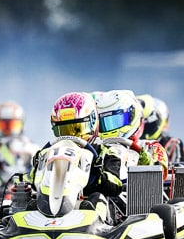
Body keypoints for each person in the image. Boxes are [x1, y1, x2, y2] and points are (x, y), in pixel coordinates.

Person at [28, 92, 124, 222]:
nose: (70, 136)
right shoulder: (50, 152)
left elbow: (116, 186)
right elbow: (34, 182)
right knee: (31, 203)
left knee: (98, 198)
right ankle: (35, 224)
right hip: (52, 205)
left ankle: (96, 226)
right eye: (64, 130)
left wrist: (99, 175)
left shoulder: (106, 152)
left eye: (77, 129)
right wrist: (37, 167)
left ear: (92, 123)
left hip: (88, 206)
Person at [0, 100, 39, 189]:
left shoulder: (31, 148)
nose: (8, 132)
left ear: (22, 124)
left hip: (26, 192)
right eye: (3, 126)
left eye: (12, 125)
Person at [139, 93, 184, 164]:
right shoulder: (127, 141)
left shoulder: (172, 144)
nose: (144, 125)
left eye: (145, 121)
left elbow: (179, 171)